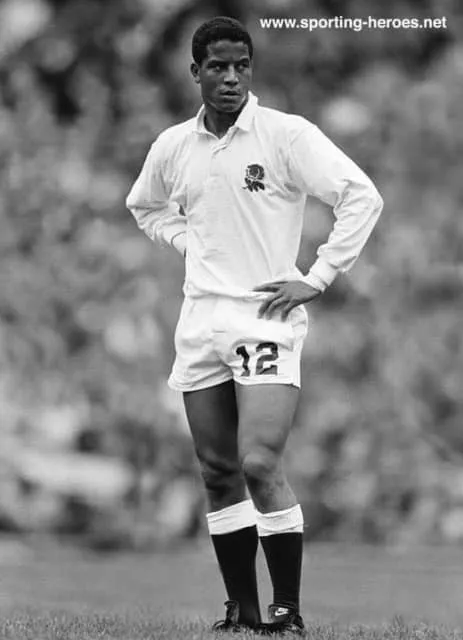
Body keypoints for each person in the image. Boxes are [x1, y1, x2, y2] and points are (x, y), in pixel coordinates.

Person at [126, 16, 383, 635]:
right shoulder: (173, 146)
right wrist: (183, 239)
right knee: (217, 473)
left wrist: (318, 276)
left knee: (259, 463)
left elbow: (361, 196)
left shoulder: (286, 135)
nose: (231, 78)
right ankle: (241, 612)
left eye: (241, 65)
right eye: (218, 66)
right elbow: (144, 206)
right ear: (196, 71)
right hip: (200, 319)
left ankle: (287, 611)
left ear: (251, 69)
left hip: (265, 316)